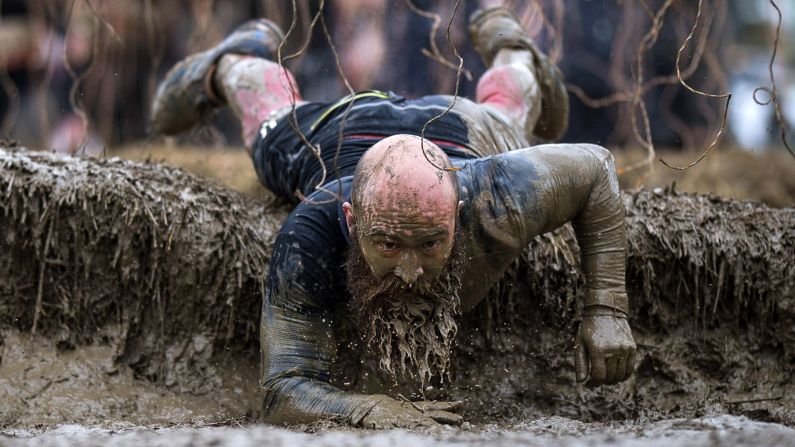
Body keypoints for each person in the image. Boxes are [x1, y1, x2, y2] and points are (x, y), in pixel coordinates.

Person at [151, 3, 637, 430]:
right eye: (387, 245)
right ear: (351, 219)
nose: (409, 272)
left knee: (510, 118)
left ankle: (513, 50)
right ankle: (237, 58)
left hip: (461, 128)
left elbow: (594, 168)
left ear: (459, 214)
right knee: (267, 114)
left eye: (430, 244)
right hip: (338, 132)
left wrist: (607, 309)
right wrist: (368, 410)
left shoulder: (497, 194)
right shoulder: (311, 230)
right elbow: (283, 390)